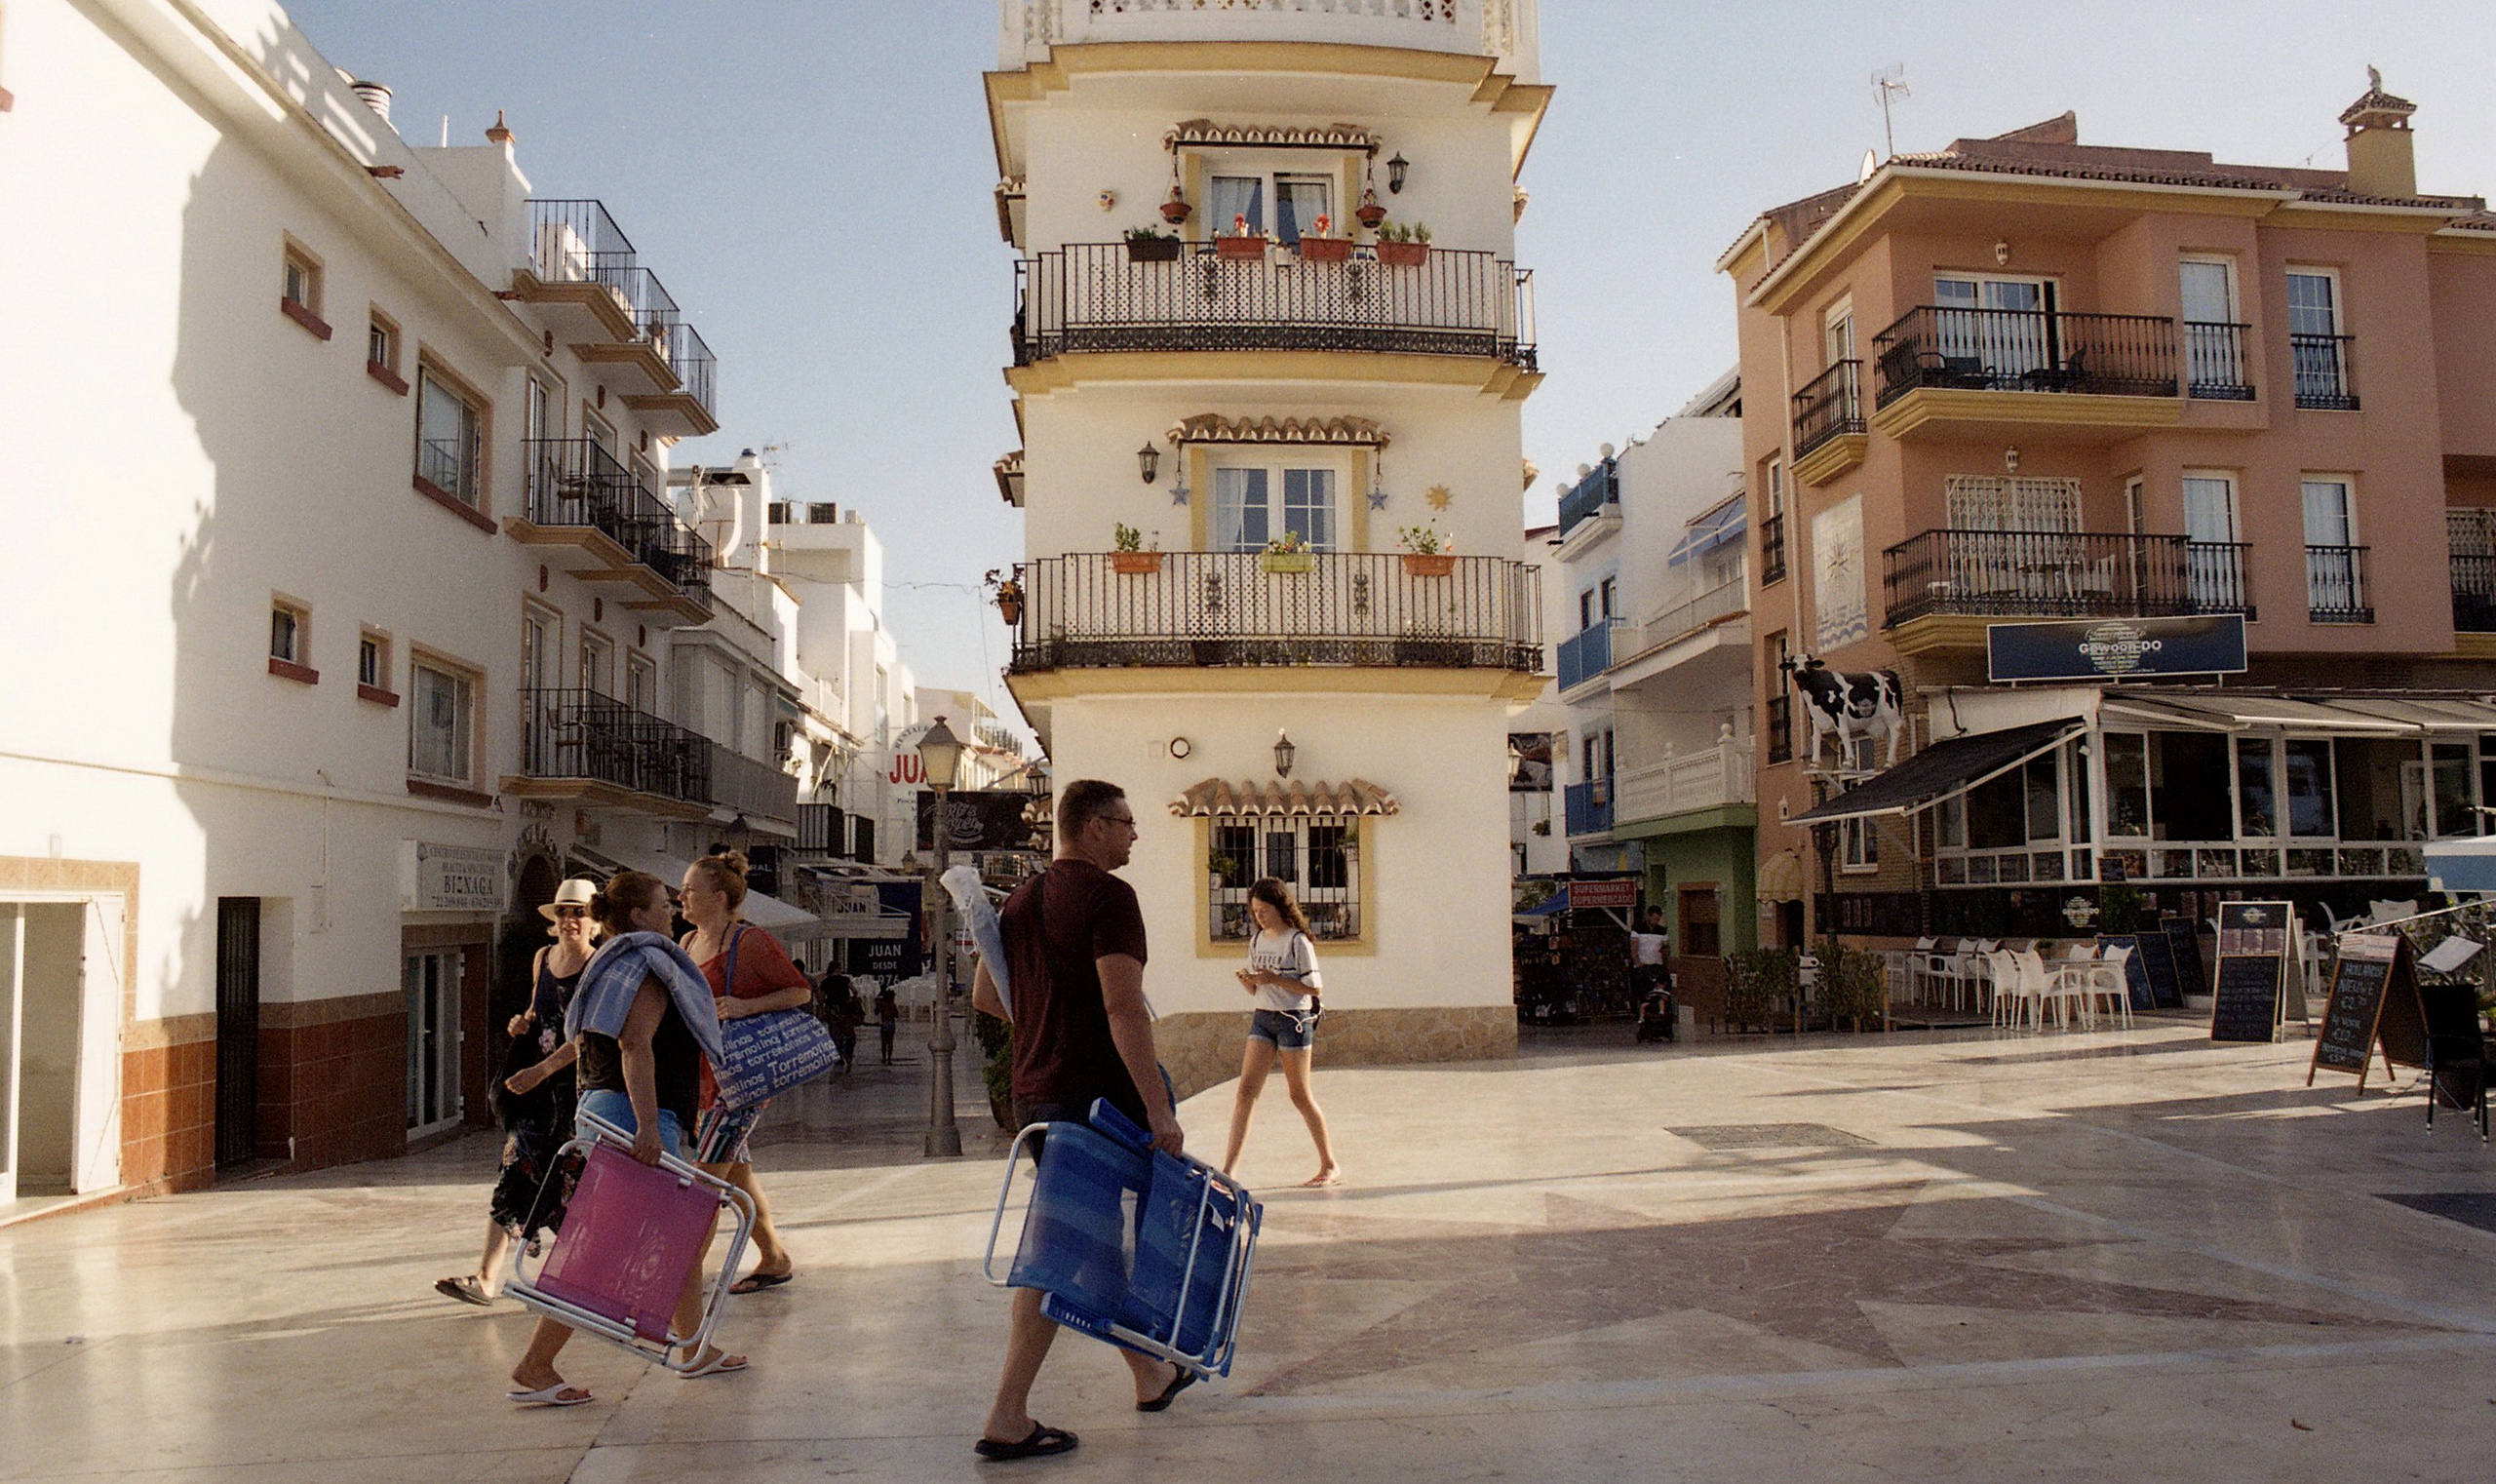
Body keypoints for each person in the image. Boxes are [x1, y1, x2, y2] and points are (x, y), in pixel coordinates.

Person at [969, 779, 1190, 1461]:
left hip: (1037, 1093)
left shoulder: (1023, 897)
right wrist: (1158, 1107)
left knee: (1090, 1243)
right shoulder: (1109, 897)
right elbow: (1124, 1009)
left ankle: (1150, 1375)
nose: (1134, 834)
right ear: (1092, 826)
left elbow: (986, 994)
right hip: (1094, 1100)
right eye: (1125, 822)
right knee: (1055, 1255)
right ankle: (1007, 1415)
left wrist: (1048, 1024)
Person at [506, 871, 742, 1407]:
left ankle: (694, 1348)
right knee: (603, 1251)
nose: (672, 910)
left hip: (605, 1107)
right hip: (634, 1113)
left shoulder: (610, 965)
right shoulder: (649, 966)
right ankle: (536, 1364)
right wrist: (651, 1127)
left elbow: (591, 1038)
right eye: (663, 904)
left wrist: (541, 1073)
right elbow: (635, 1044)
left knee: (673, 1236)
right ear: (638, 916)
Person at [435, 878, 597, 1307]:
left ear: (596, 922)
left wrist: (543, 1070)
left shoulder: (599, 968)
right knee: (514, 1168)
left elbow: (589, 1038)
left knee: (571, 1183)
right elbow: (535, 1010)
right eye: (563, 912)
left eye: (579, 912)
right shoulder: (543, 958)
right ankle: (486, 1278)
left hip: (575, 1089)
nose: (570, 920)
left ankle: (574, 1281)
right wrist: (520, 1023)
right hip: (535, 1090)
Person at [680, 851, 808, 1294]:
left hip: (737, 1085)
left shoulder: (750, 942)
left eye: (689, 891)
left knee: (704, 1184)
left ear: (717, 897)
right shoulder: (687, 944)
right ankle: (774, 1257)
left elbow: (799, 992)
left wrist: (746, 1006)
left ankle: (681, 1281)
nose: (681, 897)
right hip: (702, 1078)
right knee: (738, 1178)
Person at [1220, 877, 1341, 1188]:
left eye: (1264, 910)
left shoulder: (1297, 941)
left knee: (1299, 1095)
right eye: (1255, 911)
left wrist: (1274, 979)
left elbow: (1314, 987)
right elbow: (1257, 988)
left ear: (1280, 907)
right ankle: (1229, 1168)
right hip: (1264, 1017)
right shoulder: (1258, 940)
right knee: (1246, 1090)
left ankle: (1329, 1164)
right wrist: (1248, 981)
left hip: (1293, 1020)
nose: (1259, 916)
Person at [1631, 908, 1675, 1043]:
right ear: (1648, 916)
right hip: (1644, 966)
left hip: (1658, 965)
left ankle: (1663, 1024)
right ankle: (1645, 1023)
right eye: (1653, 918)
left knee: (1661, 993)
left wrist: (1665, 955)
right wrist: (1637, 962)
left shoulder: (1661, 931)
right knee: (1645, 994)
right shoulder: (1638, 929)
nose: (1655, 921)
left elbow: (1665, 947)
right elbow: (1633, 947)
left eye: (1657, 919)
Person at [823, 972, 863, 1073]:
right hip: (844, 1008)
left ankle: (838, 1054)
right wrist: (852, 1002)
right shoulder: (844, 980)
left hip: (832, 1009)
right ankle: (846, 1056)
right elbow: (855, 991)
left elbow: (821, 998)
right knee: (845, 1031)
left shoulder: (826, 982)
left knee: (834, 1032)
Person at [875, 983, 899, 1065]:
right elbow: (897, 1015)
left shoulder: (882, 1005)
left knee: (883, 1042)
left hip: (884, 1024)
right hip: (891, 1024)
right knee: (890, 1042)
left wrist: (877, 1004)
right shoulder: (893, 1005)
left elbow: (876, 1012)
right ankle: (889, 1059)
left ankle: (884, 1058)